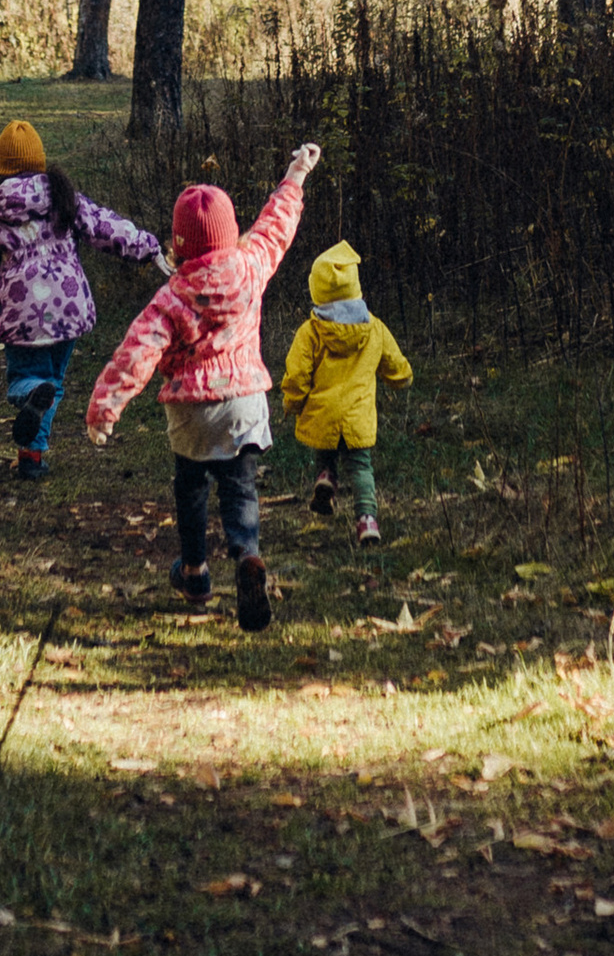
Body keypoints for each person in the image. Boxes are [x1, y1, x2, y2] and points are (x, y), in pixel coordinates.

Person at [84, 141, 322, 631]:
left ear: (179, 244)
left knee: (191, 491)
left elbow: (137, 353)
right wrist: (296, 173)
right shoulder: (251, 265)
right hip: (245, 405)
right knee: (241, 488)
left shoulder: (172, 295)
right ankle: (247, 554)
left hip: (192, 412)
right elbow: (276, 227)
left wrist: (105, 408)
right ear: (232, 233)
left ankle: (194, 573)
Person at [0, 121, 165, 481]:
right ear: (40, 161)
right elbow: (104, 226)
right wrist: (148, 247)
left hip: (22, 314)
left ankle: (31, 401)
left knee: (28, 379)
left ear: (1, 166)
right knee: (53, 383)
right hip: (69, 307)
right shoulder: (62, 196)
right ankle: (32, 458)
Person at [280, 239, 412, 544]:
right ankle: (367, 521)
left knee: (324, 450)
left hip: (322, 413)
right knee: (361, 468)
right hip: (358, 417)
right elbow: (395, 364)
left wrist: (294, 403)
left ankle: (325, 477)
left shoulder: (310, 331)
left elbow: (297, 374)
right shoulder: (375, 328)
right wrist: (402, 378)